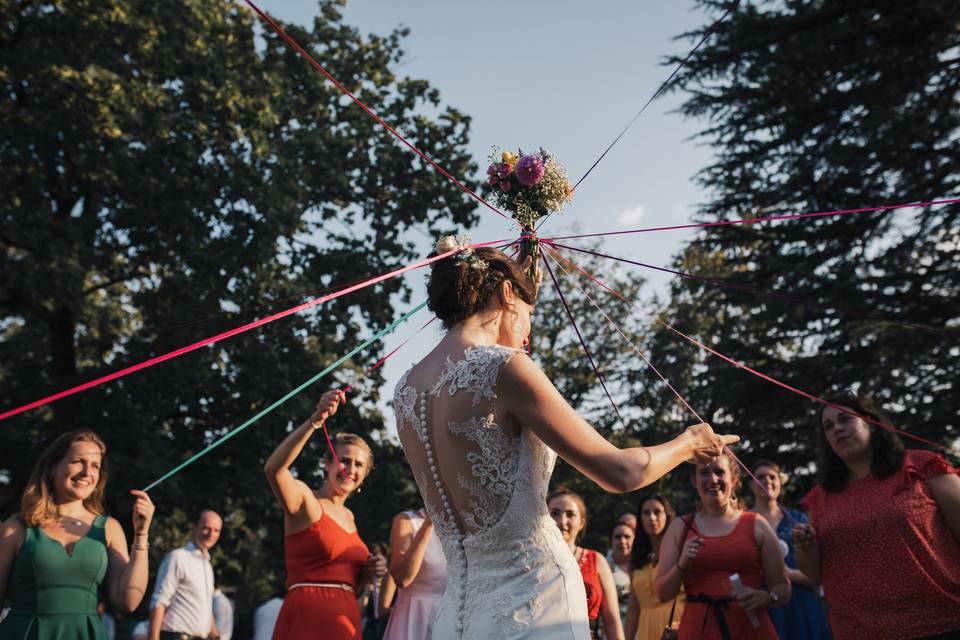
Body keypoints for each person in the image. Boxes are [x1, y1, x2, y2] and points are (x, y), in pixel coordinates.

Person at [393, 237, 738, 638]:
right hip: (535, 597)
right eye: (526, 316)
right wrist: (689, 442)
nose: (526, 337)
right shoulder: (505, 368)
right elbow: (620, 472)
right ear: (506, 292)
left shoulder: (406, 390)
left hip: (457, 616)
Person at [793, 393, 960, 639]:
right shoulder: (820, 497)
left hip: (941, 624)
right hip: (860, 631)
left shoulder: (922, 467)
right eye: (828, 426)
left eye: (845, 419)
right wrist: (805, 546)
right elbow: (815, 574)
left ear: (870, 422)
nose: (837, 428)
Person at [0, 430, 155, 639]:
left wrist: (142, 534)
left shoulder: (109, 528)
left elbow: (128, 600)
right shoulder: (15, 528)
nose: (86, 472)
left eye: (95, 466)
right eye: (77, 461)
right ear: (52, 467)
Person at [264, 393, 387, 640]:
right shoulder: (306, 501)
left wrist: (371, 571)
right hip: (307, 618)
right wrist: (315, 420)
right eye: (344, 461)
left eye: (358, 465)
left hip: (346, 620)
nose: (350, 470)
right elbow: (274, 470)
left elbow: (349, 583)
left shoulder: (350, 517)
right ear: (327, 464)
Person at [655, 451, 790, 640]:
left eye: (720, 472)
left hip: (750, 630)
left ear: (734, 479)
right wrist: (681, 565)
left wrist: (768, 597)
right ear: (694, 481)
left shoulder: (757, 524)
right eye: (704, 472)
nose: (712, 479)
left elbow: (783, 587)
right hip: (698, 631)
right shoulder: (680, 528)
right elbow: (662, 594)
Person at [748, 459, 830, 639]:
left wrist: (789, 574)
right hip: (762, 606)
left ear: (780, 483)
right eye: (760, 477)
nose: (767, 481)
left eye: (772, 477)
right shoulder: (743, 522)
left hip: (801, 606)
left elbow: (820, 573)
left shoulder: (798, 520)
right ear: (751, 484)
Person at [548, 488, 625, 640]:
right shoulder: (532, 561)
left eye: (570, 514)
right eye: (555, 513)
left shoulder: (596, 560)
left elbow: (612, 619)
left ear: (581, 523)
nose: (562, 521)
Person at [148, 510, 222, 640]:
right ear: (194, 529)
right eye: (206, 528)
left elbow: (205, 608)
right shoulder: (177, 557)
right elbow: (159, 601)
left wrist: (216, 637)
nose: (211, 534)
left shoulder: (207, 566)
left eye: (216, 530)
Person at [625, 494, 683, 640]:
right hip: (646, 629)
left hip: (678, 626)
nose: (651, 517)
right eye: (646, 513)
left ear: (667, 515)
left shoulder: (680, 549)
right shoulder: (637, 557)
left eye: (657, 512)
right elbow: (634, 606)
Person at [383, 508, 445, 640]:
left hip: (447, 619)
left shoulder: (460, 526)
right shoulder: (406, 520)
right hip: (412, 619)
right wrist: (430, 521)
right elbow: (402, 578)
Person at [361, 541, 395, 640]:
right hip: (370, 629)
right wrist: (366, 593)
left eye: (381, 562)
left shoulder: (393, 579)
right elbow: (361, 612)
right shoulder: (366, 582)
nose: (378, 567)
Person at [605, 521, 634, 633]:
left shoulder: (644, 568)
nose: (622, 541)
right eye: (617, 537)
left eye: (627, 537)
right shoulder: (603, 568)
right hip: (611, 631)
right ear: (611, 541)